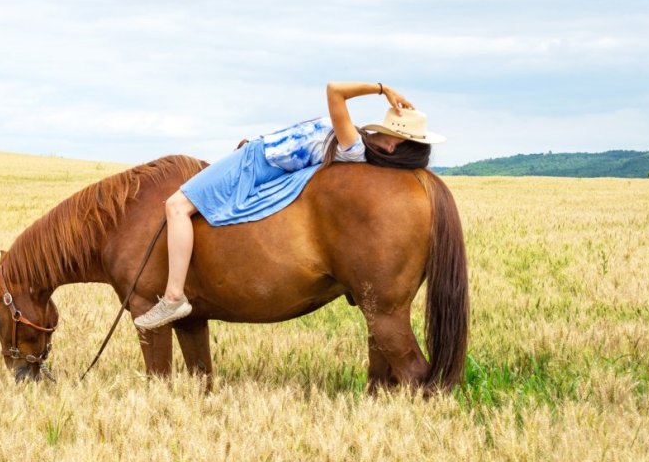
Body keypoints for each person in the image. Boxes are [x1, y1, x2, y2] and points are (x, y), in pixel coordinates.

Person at [133, 81, 445, 329]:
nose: (380, 132)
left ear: (394, 145)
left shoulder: (353, 145)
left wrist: (381, 89)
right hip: (257, 156)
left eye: (388, 132)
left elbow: (334, 90)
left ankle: (173, 295)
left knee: (176, 206)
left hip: (253, 163)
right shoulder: (357, 147)